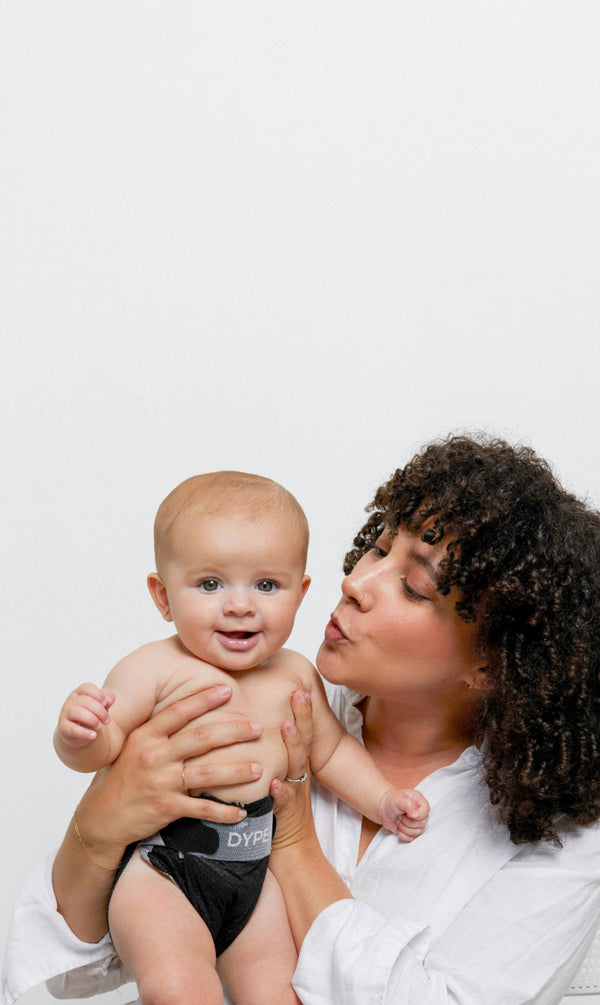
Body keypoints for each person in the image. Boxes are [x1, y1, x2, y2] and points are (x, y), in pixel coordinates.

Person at [4, 434, 600, 1005]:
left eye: (415, 588)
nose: (354, 582)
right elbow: (72, 976)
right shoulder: (251, 700)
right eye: (376, 546)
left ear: (492, 663)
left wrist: (294, 845)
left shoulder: (558, 826)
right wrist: (100, 823)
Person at [51, 470, 429, 1005]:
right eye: (210, 584)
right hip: (166, 872)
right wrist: (80, 734)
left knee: (279, 994)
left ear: (300, 594)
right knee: (180, 987)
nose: (239, 605)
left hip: (256, 873)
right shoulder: (155, 668)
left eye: (266, 585)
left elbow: (332, 751)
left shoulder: (297, 674)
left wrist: (384, 799)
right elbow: (106, 749)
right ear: (162, 596)